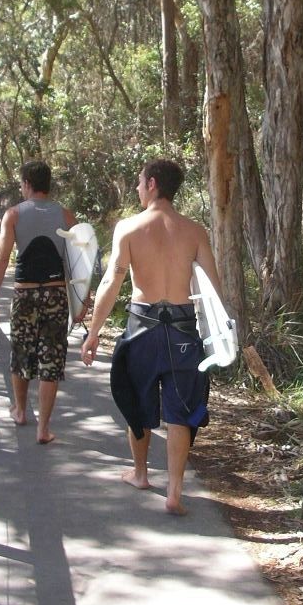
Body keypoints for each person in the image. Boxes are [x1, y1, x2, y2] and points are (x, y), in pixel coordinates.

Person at [81, 158, 222, 516]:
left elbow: (112, 282)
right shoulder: (195, 232)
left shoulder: (128, 229)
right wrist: (221, 336)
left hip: (142, 325)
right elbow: (214, 290)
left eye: (140, 182)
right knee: (181, 409)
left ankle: (141, 474)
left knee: (136, 399)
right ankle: (175, 491)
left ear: (153, 184)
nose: (138, 188)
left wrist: (94, 333)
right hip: (183, 329)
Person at [0, 160, 84, 444]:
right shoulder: (66, 215)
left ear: (27, 183)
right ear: (48, 184)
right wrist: (82, 301)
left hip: (25, 294)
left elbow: (1, 258)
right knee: (51, 359)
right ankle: (44, 428)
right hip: (56, 294)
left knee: (22, 352)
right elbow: (80, 263)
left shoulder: (13, 214)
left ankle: (20, 410)